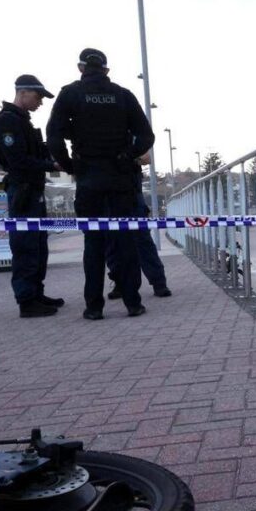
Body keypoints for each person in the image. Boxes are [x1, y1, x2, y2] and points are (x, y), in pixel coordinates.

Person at [47, 48, 153, 320]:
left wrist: (72, 167)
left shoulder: (70, 94)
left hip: (89, 179)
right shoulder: (122, 95)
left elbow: (54, 137)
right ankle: (133, 303)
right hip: (120, 179)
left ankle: (94, 306)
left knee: (93, 244)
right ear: (106, 70)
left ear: (81, 68)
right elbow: (146, 135)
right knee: (125, 241)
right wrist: (128, 156)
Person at [0, 74, 64, 318]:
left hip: (33, 190)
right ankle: (26, 300)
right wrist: (51, 166)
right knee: (25, 246)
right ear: (22, 93)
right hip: (22, 190)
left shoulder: (22, 121)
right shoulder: (7, 121)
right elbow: (17, 160)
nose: (40, 102)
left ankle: (36, 293)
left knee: (39, 245)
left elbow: (35, 152)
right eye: (37, 96)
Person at [107, 151, 171, 299]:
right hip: (108, 195)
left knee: (143, 241)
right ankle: (119, 282)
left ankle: (159, 283)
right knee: (112, 243)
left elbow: (146, 157)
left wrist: (125, 157)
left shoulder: (130, 132)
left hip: (131, 194)